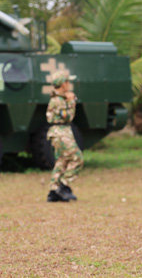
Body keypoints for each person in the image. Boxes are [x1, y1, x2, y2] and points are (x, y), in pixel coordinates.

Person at [46, 69, 84, 203]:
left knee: (61, 161)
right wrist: (72, 101)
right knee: (77, 158)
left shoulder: (58, 99)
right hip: (61, 132)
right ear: (63, 84)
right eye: (67, 82)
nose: (69, 84)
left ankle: (53, 191)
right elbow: (68, 116)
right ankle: (64, 185)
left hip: (60, 132)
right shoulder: (59, 100)